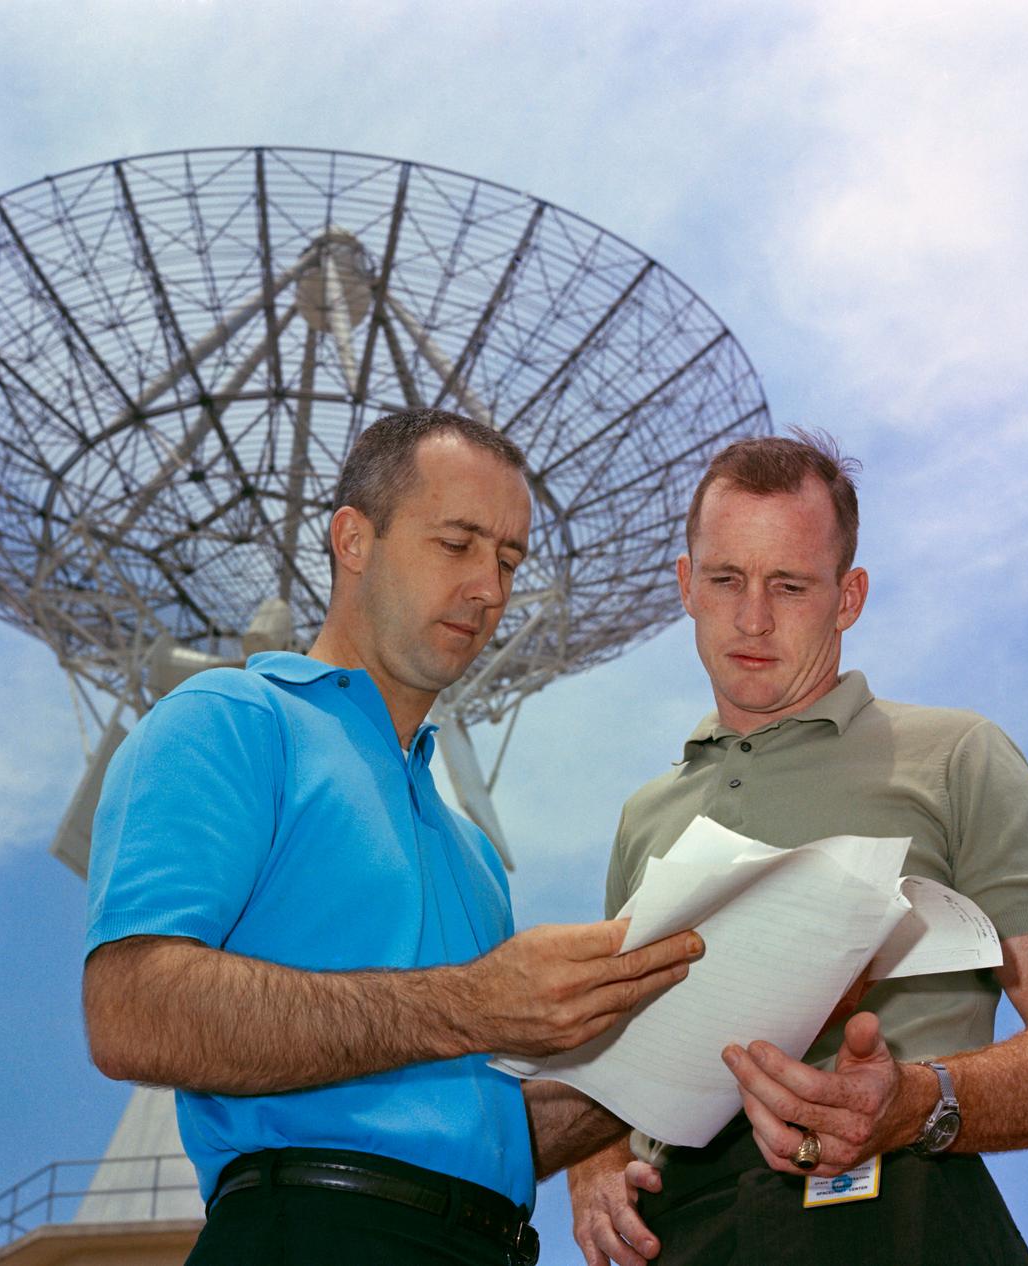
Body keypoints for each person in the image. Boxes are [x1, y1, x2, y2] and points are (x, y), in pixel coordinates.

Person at [82, 408, 703, 1266]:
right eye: (457, 543)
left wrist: (697, 1050)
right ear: (353, 539)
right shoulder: (228, 721)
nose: (490, 587)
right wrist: (475, 1003)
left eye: (510, 560)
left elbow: (473, 1126)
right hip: (312, 1232)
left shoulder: (473, 855)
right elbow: (130, 1011)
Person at [567, 431, 1028, 1266]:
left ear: (849, 596)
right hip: (678, 1236)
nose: (753, 617)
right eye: (726, 579)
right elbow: (615, 1062)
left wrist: (917, 1102)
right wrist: (595, 1161)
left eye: (790, 585)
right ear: (687, 585)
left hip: (896, 1209)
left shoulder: (955, 755)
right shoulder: (643, 818)